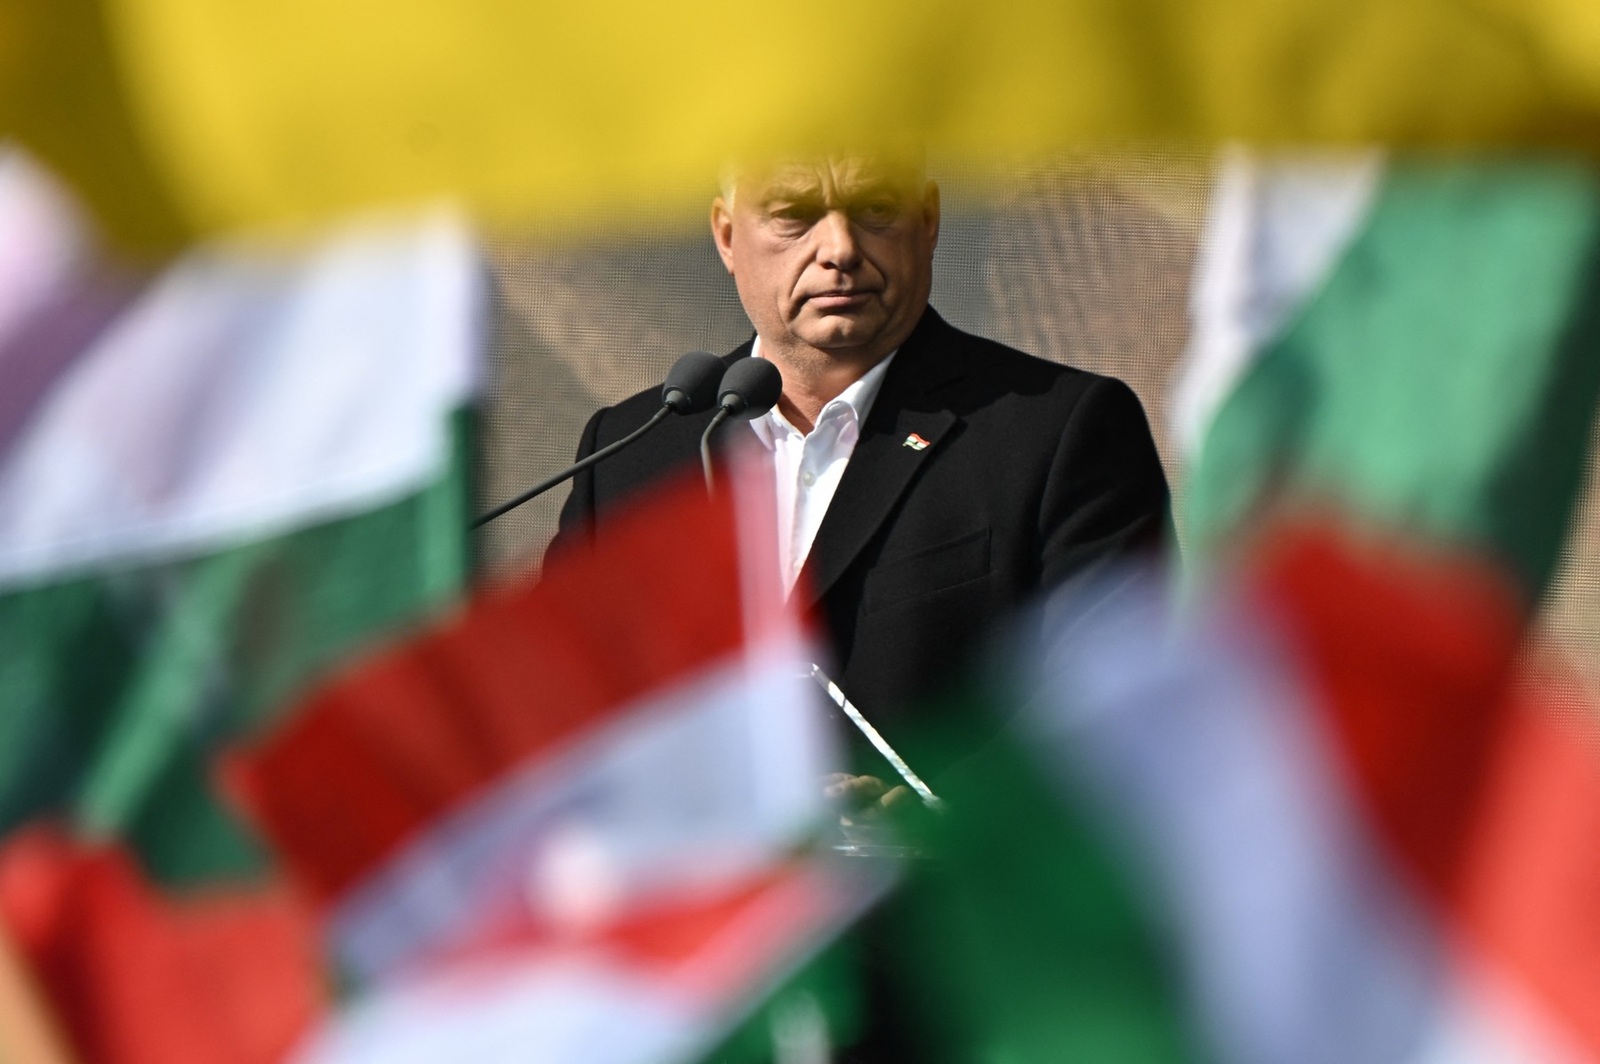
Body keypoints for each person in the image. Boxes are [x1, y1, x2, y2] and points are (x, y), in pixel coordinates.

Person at [553, 152, 1169, 782]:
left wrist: (935, 825)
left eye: (875, 209)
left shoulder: (1056, 430)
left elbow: (1119, 717)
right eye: (794, 215)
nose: (840, 248)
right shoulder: (631, 455)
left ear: (928, 220)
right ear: (727, 235)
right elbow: (559, 727)